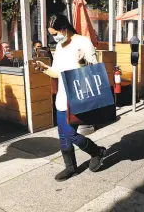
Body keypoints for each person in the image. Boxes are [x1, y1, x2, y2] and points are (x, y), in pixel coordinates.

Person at [33, 13, 106, 182]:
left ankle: (96, 151)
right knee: (62, 134)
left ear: (64, 29)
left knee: (70, 134)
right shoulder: (59, 47)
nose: (54, 38)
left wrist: (82, 63)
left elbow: (94, 71)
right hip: (62, 97)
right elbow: (57, 73)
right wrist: (44, 68)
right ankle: (70, 167)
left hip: (79, 96)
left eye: (55, 34)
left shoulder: (83, 42)